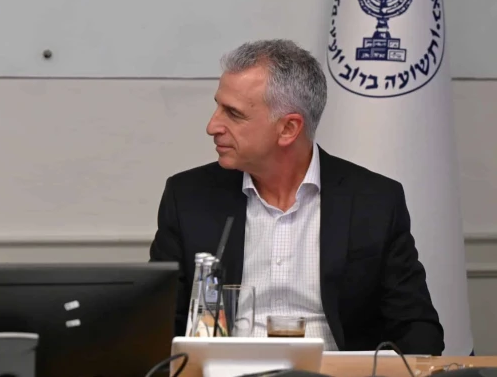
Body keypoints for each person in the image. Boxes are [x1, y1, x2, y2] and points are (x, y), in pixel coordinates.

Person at [149, 39, 444, 354]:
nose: (212, 126)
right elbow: (157, 324)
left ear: (288, 128)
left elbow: (417, 327)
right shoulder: (188, 197)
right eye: (218, 106)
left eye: (233, 114)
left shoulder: (375, 201)